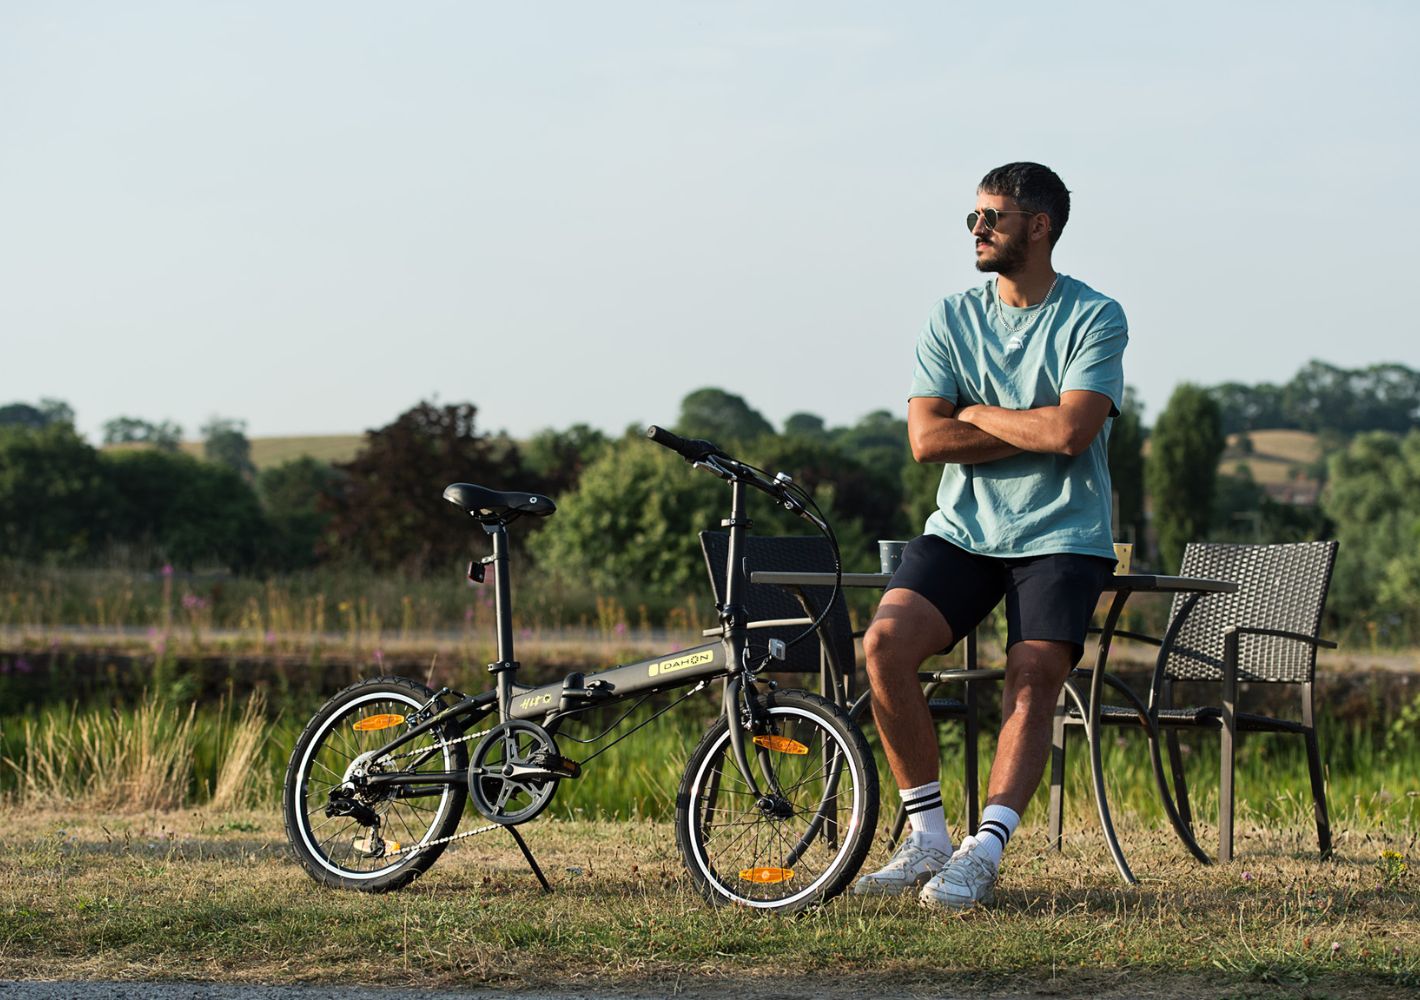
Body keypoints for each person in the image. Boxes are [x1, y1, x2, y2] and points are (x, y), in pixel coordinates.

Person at [852, 162, 1128, 909]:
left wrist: (973, 413)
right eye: (973, 215)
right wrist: (1026, 425)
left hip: (1063, 534)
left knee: (1032, 676)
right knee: (884, 646)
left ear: (1038, 226)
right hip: (964, 530)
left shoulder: (1095, 316)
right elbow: (926, 441)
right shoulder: (950, 317)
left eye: (992, 216)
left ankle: (985, 849)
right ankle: (927, 838)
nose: (976, 228)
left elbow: (1071, 433)